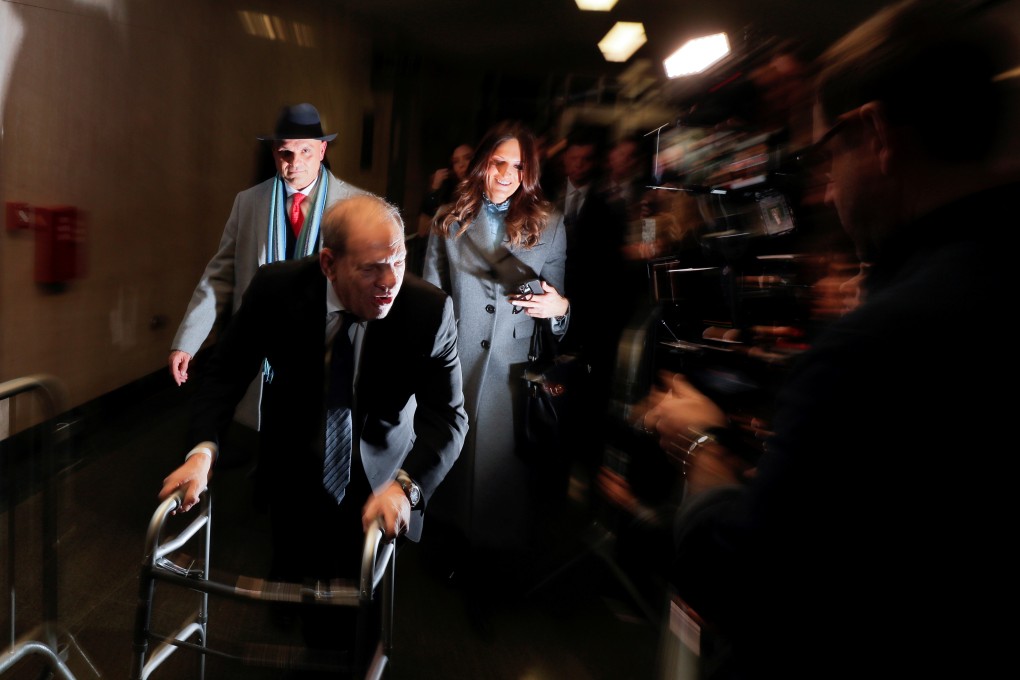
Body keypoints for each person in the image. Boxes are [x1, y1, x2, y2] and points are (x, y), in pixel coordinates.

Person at [639, 2, 1016, 677]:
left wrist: (704, 452)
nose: (823, 188)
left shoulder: (872, 350)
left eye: (826, 154)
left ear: (874, 133)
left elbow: (752, 588)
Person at [159, 194, 468, 651]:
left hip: (377, 479)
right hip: (294, 457)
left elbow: (448, 416)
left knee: (353, 617)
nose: (389, 282)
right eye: (370, 268)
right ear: (328, 263)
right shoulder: (277, 289)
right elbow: (225, 371)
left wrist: (407, 487)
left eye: (399, 261)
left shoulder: (428, 311)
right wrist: (201, 452)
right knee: (292, 563)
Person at [421, 120, 570, 584]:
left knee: (498, 482)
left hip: (511, 375)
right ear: (482, 163)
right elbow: (430, 297)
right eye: (498, 162)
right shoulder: (449, 221)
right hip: (456, 366)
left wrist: (559, 307)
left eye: (518, 166)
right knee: (451, 466)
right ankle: (447, 551)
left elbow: (559, 310)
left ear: (530, 172)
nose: (507, 174)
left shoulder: (549, 224)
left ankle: (489, 572)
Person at [168, 102, 366, 433]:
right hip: (265, 356)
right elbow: (219, 276)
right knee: (268, 449)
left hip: (323, 356)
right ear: (275, 152)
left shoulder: (356, 206)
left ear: (322, 149)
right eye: (286, 153)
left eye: (305, 151)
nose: (295, 163)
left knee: (313, 449)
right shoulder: (249, 202)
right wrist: (188, 340)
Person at [410, 142, 474, 274]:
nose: (462, 165)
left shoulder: (489, 191)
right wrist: (434, 188)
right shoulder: (448, 194)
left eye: (467, 158)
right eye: (456, 161)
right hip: (447, 263)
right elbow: (422, 230)